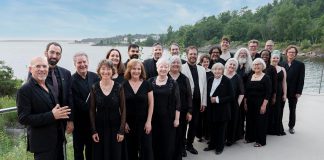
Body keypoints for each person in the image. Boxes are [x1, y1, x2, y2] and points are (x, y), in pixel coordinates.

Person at [17, 56, 71, 160]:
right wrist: (52, 115)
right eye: (38, 66)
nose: (42, 69)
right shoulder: (25, 90)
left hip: (57, 140)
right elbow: (23, 118)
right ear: (30, 69)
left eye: (44, 66)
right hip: (42, 144)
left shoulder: (49, 86)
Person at [89, 59, 126, 160]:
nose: (106, 71)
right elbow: (92, 110)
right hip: (100, 128)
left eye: (109, 69)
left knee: (116, 155)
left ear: (112, 71)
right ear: (99, 71)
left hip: (115, 128)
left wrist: (121, 131)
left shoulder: (119, 87)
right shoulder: (94, 87)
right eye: (103, 69)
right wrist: (93, 131)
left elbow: (123, 110)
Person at [42, 42, 74, 157]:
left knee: (60, 154)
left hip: (61, 125)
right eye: (52, 52)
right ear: (46, 53)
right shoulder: (37, 72)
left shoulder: (66, 73)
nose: (54, 56)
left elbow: (69, 97)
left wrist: (70, 120)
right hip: (44, 123)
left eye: (58, 53)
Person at [148, 58, 181, 160]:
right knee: (154, 141)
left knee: (167, 142)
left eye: (165, 67)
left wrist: (177, 119)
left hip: (168, 118)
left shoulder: (173, 83)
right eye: (161, 66)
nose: (163, 69)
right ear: (157, 68)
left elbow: (178, 103)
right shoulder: (150, 81)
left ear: (168, 68)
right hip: (153, 118)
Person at [123, 59, 154, 160]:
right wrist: (124, 122)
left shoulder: (147, 84)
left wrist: (149, 121)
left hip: (144, 123)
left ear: (142, 70)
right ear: (129, 70)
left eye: (138, 69)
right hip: (129, 124)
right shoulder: (123, 85)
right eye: (133, 69)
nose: (136, 71)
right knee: (130, 149)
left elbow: (151, 104)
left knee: (146, 150)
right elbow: (120, 106)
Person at [71, 52, 100, 160]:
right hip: (78, 123)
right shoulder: (71, 80)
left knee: (91, 150)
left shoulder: (95, 77)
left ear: (88, 62)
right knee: (78, 151)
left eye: (84, 62)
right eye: (79, 62)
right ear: (75, 64)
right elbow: (75, 103)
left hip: (93, 122)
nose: (82, 64)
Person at [181, 46, 207, 155]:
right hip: (185, 102)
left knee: (194, 124)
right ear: (187, 55)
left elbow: (204, 86)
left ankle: (189, 144)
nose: (193, 56)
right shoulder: (181, 67)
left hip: (197, 102)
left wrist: (203, 102)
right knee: (183, 125)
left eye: (195, 54)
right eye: (191, 54)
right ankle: (181, 146)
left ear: (197, 55)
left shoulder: (202, 69)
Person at [204, 63, 234, 155]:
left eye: (219, 69)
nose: (217, 71)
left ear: (222, 70)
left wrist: (217, 99)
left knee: (221, 130)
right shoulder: (209, 79)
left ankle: (219, 147)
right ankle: (212, 145)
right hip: (211, 109)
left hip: (222, 109)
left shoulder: (227, 80)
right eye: (215, 69)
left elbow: (232, 96)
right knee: (212, 128)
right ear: (212, 71)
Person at [168, 55, 193, 159]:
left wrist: (189, 111)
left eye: (178, 62)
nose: (176, 64)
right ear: (169, 64)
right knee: (170, 133)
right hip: (168, 111)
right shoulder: (165, 76)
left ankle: (181, 149)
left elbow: (189, 95)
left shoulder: (184, 78)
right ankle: (170, 150)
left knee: (181, 132)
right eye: (173, 62)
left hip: (182, 111)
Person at [244, 58, 271, 147]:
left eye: (259, 64)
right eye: (255, 64)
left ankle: (260, 141)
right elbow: (246, 91)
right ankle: (250, 138)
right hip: (250, 102)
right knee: (250, 120)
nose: (256, 66)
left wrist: (264, 105)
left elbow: (268, 93)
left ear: (262, 66)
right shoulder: (250, 76)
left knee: (260, 122)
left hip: (261, 102)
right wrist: (245, 102)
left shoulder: (266, 77)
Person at [282, 45, 305, 134]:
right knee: (280, 109)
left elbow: (301, 79)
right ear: (286, 53)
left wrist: (299, 92)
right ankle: (278, 125)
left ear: (295, 54)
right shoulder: (282, 63)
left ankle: (291, 126)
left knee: (292, 109)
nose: (291, 53)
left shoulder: (300, 65)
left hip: (294, 91)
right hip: (283, 91)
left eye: (293, 52)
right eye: (289, 52)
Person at [224, 58, 245, 146]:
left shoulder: (237, 77)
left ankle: (230, 139)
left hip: (233, 104)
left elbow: (242, 93)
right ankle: (222, 137)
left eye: (234, 65)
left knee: (232, 121)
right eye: (230, 64)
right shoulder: (222, 75)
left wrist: (237, 104)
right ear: (227, 65)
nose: (232, 66)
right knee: (223, 121)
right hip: (223, 103)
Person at [233, 48, 252, 138]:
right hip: (234, 94)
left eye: (245, 53)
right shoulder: (234, 66)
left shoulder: (249, 68)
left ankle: (240, 133)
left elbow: (249, 83)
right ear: (238, 54)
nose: (243, 54)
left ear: (247, 56)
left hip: (244, 94)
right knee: (234, 113)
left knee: (242, 114)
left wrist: (246, 97)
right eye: (241, 53)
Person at [260, 49, 278, 135]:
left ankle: (267, 129)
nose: (264, 56)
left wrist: (274, 96)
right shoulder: (258, 66)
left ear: (269, 56)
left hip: (269, 94)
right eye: (263, 55)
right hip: (259, 94)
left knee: (267, 112)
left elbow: (275, 83)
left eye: (266, 55)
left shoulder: (272, 68)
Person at [197, 53, 213, 142]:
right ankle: (200, 135)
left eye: (207, 62)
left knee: (207, 117)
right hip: (201, 96)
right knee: (200, 117)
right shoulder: (199, 71)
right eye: (204, 62)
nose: (206, 63)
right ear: (201, 62)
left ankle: (207, 135)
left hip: (209, 97)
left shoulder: (211, 72)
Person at [270, 53, 287, 136]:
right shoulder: (267, 68)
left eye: (277, 58)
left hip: (280, 92)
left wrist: (285, 94)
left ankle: (277, 129)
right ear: (271, 58)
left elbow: (284, 83)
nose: (275, 59)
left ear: (279, 59)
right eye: (274, 58)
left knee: (278, 111)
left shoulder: (282, 69)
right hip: (270, 92)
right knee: (270, 110)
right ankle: (269, 129)